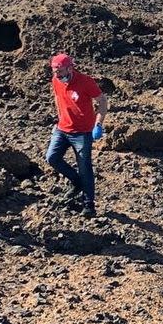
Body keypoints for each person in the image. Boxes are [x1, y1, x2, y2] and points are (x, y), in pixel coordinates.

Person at [46, 53, 107, 218]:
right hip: (62, 129)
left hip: (82, 132)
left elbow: (102, 101)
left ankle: (89, 205)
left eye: (59, 71)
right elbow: (58, 100)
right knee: (52, 158)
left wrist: (98, 124)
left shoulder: (86, 82)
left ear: (69, 68)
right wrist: (58, 121)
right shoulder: (55, 81)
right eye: (54, 71)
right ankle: (76, 181)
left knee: (85, 167)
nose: (56, 74)